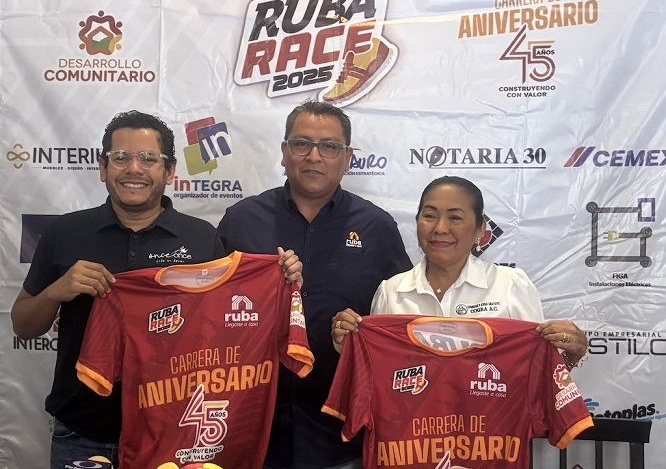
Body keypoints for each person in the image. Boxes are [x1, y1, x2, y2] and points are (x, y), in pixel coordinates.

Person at [11, 110, 302, 469]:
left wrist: (281, 280)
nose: (134, 168)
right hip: (82, 434)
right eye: (121, 157)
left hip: (174, 435)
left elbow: (226, 330)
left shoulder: (202, 238)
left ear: (170, 171)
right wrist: (57, 290)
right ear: (102, 167)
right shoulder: (65, 233)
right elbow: (23, 325)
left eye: (149, 158)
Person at [216, 99, 413, 469]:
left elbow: (400, 322)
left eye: (329, 147)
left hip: (340, 431)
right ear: (284, 152)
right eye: (302, 144)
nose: (314, 156)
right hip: (250, 424)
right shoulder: (241, 220)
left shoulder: (377, 227)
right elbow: (208, 315)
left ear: (347, 157)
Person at [332, 175, 588, 368]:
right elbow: (377, 371)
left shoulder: (510, 285)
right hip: (411, 425)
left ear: (480, 230)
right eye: (430, 215)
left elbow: (537, 372)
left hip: (490, 425)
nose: (440, 228)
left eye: (455, 218)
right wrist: (346, 343)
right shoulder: (392, 291)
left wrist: (572, 354)